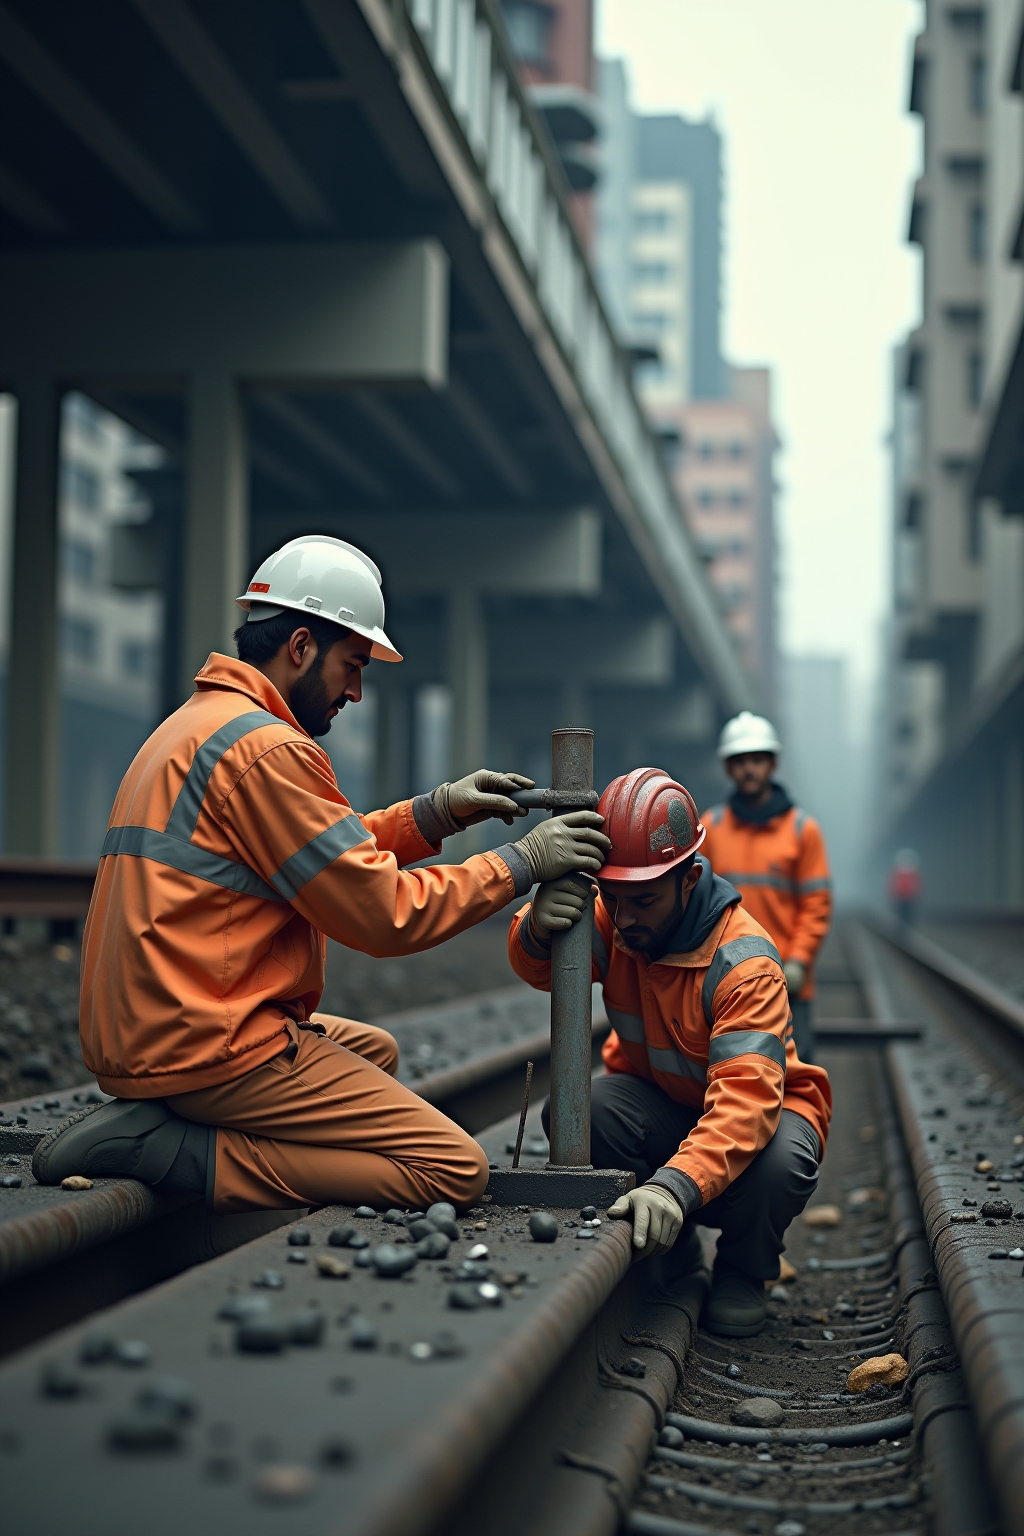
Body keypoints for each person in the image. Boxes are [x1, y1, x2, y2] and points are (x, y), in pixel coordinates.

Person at [34, 535, 610, 1213]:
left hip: (152, 1028)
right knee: (451, 1169)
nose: (357, 691)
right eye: (353, 664)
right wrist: (522, 863)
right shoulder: (268, 751)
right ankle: (177, 1150)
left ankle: (177, 1120)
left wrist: (435, 814)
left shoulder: (201, 726)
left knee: (376, 1051)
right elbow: (382, 911)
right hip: (204, 1045)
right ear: (301, 647)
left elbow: (322, 857)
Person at [509, 767, 832, 1337]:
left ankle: (743, 1271)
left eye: (645, 900)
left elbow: (746, 1103)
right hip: (663, 1099)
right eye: (612, 897)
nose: (625, 917)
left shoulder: (744, 963)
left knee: (782, 1160)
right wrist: (536, 928)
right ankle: (675, 1254)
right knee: (580, 1111)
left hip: (762, 1117)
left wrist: (674, 1185)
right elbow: (544, 972)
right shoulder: (620, 919)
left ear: (690, 880)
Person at [700, 711, 832, 1063]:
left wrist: (799, 962)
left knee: (794, 1075)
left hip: (787, 979)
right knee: (730, 1070)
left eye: (757, 759)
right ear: (728, 768)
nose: (749, 769)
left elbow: (816, 905)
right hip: (724, 979)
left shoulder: (803, 830)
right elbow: (695, 901)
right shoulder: (709, 827)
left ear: (772, 764)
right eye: (740, 761)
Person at [888, 849, 922, 926]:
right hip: (899, 898)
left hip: (910, 898)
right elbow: (892, 885)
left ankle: (907, 928)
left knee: (908, 915)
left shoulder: (914, 874)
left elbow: (918, 885)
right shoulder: (897, 873)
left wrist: (916, 895)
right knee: (900, 915)